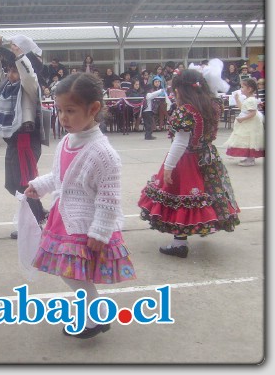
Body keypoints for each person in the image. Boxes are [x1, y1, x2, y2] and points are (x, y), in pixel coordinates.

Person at [24, 72, 136, 338]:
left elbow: (109, 199)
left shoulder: (103, 154)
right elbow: (60, 177)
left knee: (74, 274)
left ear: (93, 109)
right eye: (59, 110)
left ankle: (92, 319)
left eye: (71, 110)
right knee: (73, 273)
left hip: (86, 225)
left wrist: (100, 232)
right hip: (63, 218)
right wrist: (39, 185)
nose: (63, 117)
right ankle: (93, 315)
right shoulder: (66, 141)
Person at [138, 68, 240, 258]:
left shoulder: (185, 111)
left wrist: (168, 167)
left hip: (186, 161)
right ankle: (199, 229)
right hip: (208, 157)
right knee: (207, 195)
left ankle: (179, 244)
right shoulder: (212, 104)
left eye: (175, 90)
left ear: (181, 90)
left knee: (180, 199)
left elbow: (180, 142)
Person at [0, 35, 47, 239]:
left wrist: (19, 54)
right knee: (13, 184)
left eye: (14, 70)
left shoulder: (29, 87)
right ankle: (40, 213)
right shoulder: (6, 86)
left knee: (23, 184)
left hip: (27, 141)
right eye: (9, 70)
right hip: (15, 141)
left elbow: (28, 75)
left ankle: (33, 223)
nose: (10, 74)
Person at [222, 78, 265, 166]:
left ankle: (250, 159)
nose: (241, 89)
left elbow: (252, 113)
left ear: (249, 89)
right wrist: (237, 99)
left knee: (249, 139)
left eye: (242, 87)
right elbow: (243, 109)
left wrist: (242, 119)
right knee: (246, 139)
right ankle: (248, 157)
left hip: (250, 124)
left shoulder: (251, 100)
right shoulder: (248, 99)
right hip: (246, 123)